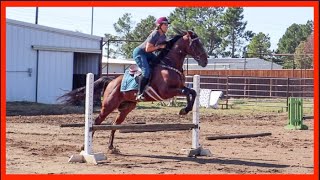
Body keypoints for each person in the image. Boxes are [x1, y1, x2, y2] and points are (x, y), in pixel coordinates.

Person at [133, 17, 170, 100]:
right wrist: (160, 46)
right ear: (159, 25)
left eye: (167, 25)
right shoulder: (155, 33)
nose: (167, 26)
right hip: (140, 53)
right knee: (146, 72)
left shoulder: (163, 36)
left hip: (148, 54)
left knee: (160, 64)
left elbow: (157, 49)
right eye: (165, 24)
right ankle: (140, 93)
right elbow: (147, 49)